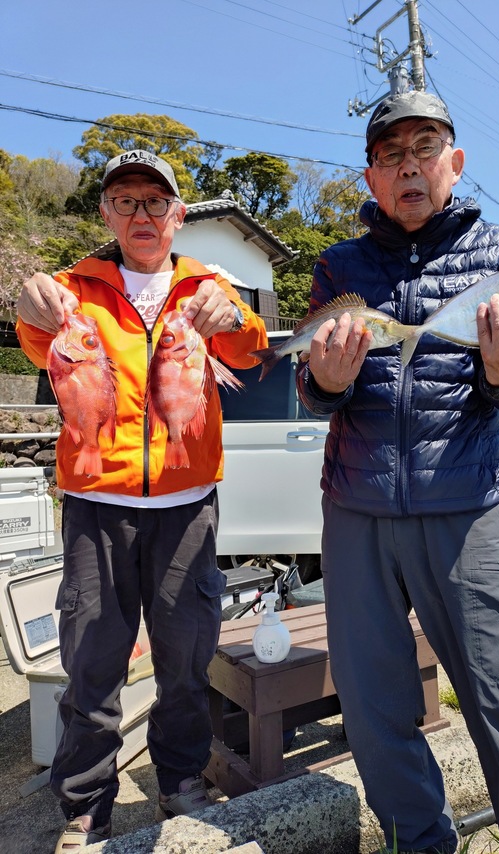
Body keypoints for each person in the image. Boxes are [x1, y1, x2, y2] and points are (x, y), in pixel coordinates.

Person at [296, 91, 499, 854]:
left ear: (454, 164)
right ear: (369, 178)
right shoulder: (338, 266)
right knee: (373, 710)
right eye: (390, 155)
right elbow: (314, 393)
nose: (409, 167)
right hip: (356, 512)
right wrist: (325, 381)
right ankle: (421, 843)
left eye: (424, 148)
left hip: (468, 505)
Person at [16, 149, 268, 852]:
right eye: (126, 201)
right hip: (96, 503)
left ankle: (180, 779)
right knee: (93, 658)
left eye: (156, 202)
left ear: (178, 214)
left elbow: (249, 349)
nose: (142, 215)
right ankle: (86, 804)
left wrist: (231, 316)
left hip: (188, 504)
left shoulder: (208, 283)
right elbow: (39, 340)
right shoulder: (76, 287)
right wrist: (28, 305)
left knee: (186, 658)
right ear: (107, 214)